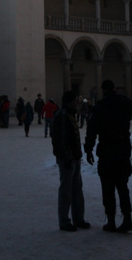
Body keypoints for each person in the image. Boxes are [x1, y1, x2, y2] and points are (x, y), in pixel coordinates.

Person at [84, 80, 132, 233]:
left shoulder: (100, 107)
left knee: (108, 188)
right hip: (122, 149)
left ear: (103, 90)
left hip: (107, 150)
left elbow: (92, 130)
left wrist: (88, 149)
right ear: (114, 88)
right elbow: (129, 112)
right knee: (123, 187)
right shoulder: (124, 103)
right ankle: (127, 219)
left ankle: (111, 221)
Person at [51, 90, 89, 232]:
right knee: (66, 191)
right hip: (67, 159)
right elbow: (60, 140)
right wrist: (67, 157)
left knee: (77, 190)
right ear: (68, 102)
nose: (77, 103)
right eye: (75, 101)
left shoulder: (70, 114)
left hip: (74, 157)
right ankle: (64, 221)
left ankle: (78, 219)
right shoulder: (62, 116)